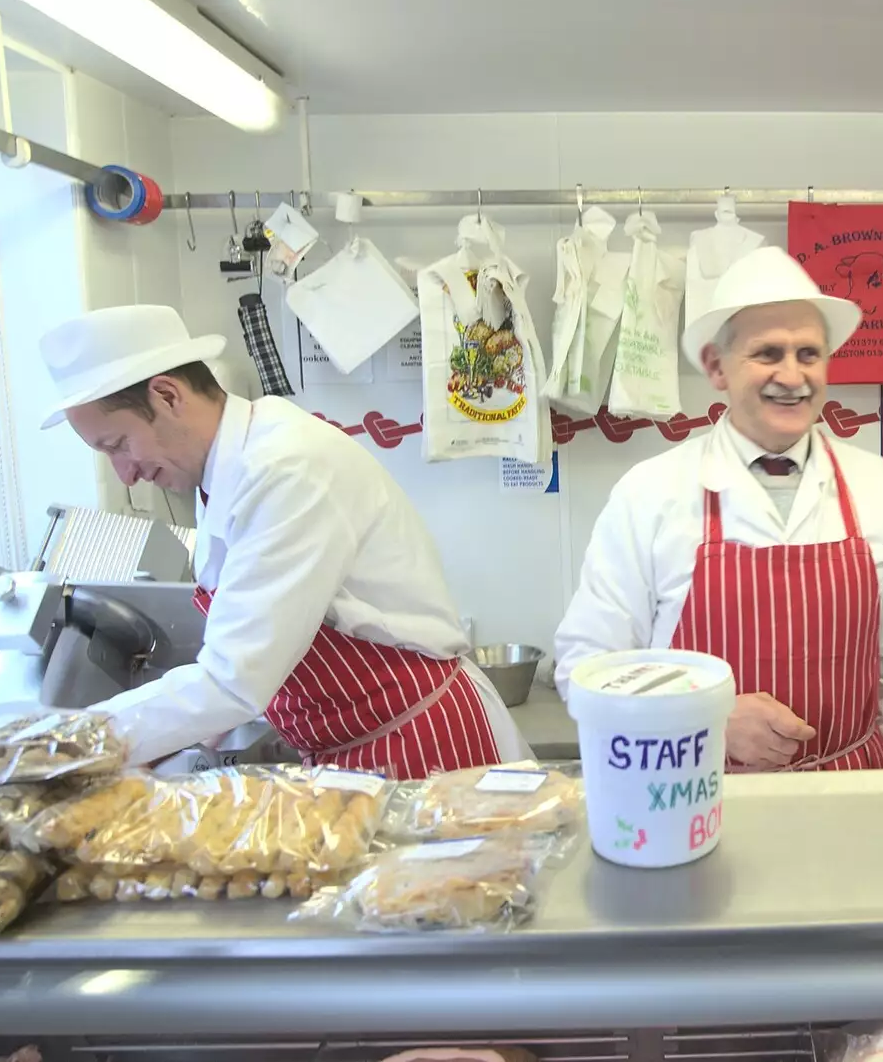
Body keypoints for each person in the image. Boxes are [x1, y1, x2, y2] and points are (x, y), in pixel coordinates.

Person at [37, 304, 528, 776]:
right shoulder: (227, 471)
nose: (124, 475)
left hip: (424, 748)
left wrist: (66, 746)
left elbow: (232, 679)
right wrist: (178, 732)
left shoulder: (285, 468)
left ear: (167, 396)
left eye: (118, 445)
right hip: (356, 752)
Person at [555, 246, 883, 771]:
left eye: (808, 354)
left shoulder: (877, 486)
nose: (793, 376)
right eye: (768, 353)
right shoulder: (652, 492)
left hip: (854, 794)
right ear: (716, 366)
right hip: (696, 793)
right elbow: (586, 667)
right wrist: (704, 715)